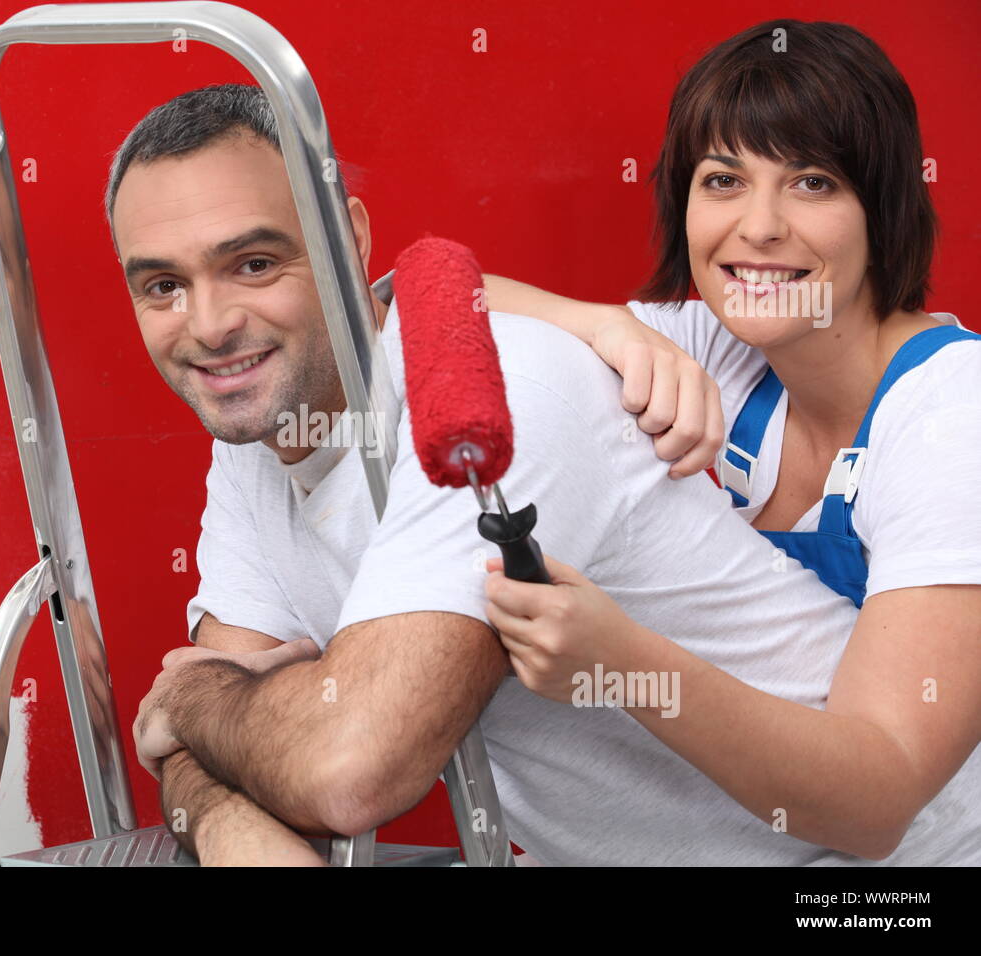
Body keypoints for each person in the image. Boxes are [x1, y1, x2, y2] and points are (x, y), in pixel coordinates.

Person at [107, 83, 975, 867]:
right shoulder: (717, 339)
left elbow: (337, 765)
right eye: (161, 285)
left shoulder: (949, 410)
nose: (212, 324)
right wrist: (224, 816)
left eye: (254, 263)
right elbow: (425, 290)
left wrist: (192, 700)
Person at [480, 16, 981, 860]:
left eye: (813, 183)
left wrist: (623, 664)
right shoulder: (730, 343)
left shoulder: (953, 415)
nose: (758, 227)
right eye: (722, 179)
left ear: (884, 205)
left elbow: (876, 803)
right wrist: (608, 328)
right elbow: (406, 302)